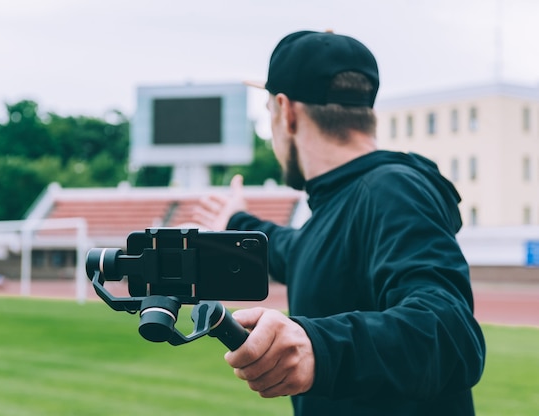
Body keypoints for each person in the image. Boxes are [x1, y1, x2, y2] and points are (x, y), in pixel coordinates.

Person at [192, 30, 486, 415]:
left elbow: (450, 332)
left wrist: (320, 347)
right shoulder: (341, 203)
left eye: (269, 114)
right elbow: (300, 252)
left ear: (288, 112)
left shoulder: (393, 189)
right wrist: (236, 221)